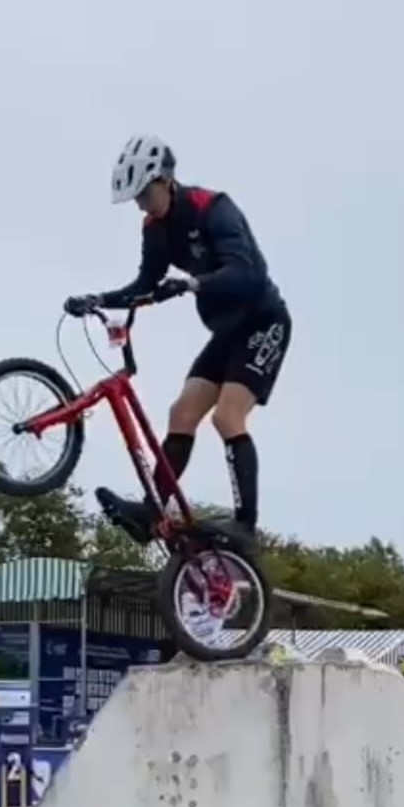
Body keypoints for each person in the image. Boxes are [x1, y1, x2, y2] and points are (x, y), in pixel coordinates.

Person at [64, 134, 292, 547]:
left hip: (263, 321)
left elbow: (247, 272)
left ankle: (246, 525)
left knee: (227, 417)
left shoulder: (213, 208)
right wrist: (98, 299)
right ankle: (152, 513)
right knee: (182, 413)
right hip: (227, 332)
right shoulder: (155, 229)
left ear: (165, 180)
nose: (141, 205)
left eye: (144, 194)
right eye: (135, 199)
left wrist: (191, 283)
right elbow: (144, 286)